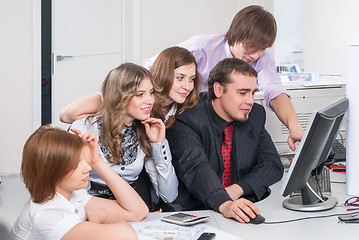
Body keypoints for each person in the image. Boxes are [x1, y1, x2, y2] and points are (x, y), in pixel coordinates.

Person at [145, 5, 304, 151]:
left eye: (262, 49)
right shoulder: (202, 47)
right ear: (234, 35)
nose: (255, 55)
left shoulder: (263, 59)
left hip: (227, 128)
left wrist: (294, 126)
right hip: (190, 124)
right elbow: (154, 66)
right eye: (250, 46)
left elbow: (275, 91)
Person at [165, 58, 284, 223]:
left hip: (239, 209)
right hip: (200, 212)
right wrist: (224, 201)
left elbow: (272, 164)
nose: (250, 101)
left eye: (253, 92)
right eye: (242, 93)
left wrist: (237, 189)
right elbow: (197, 167)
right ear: (219, 90)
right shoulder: (187, 117)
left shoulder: (254, 114)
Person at [70, 63, 178, 211]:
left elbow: (169, 195)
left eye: (151, 92)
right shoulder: (86, 127)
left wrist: (159, 144)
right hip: (89, 208)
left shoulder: (146, 132)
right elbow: (70, 188)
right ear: (119, 96)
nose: (150, 100)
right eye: (140, 94)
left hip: (130, 208)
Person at [11, 125, 149, 240]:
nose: (88, 168)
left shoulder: (72, 195)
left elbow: (138, 212)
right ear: (52, 172)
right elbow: (126, 236)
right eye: (76, 164)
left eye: (85, 160)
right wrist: (101, 218)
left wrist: (96, 162)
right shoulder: (49, 215)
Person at [59, 46, 201, 129]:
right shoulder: (133, 93)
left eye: (192, 79)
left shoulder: (183, 109)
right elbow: (66, 115)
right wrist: (112, 124)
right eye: (180, 78)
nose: (187, 87)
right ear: (164, 74)